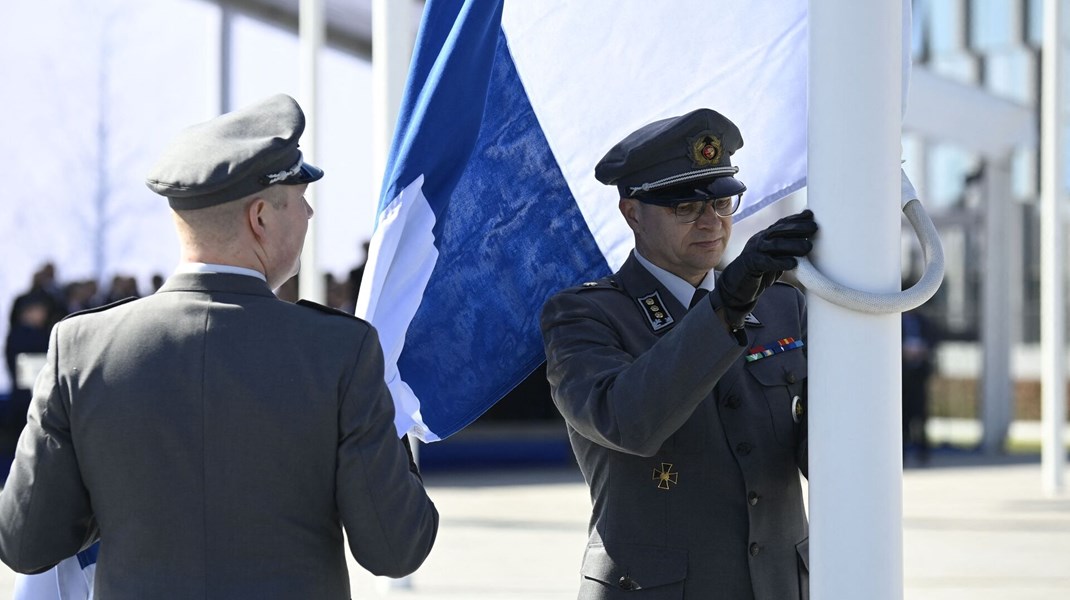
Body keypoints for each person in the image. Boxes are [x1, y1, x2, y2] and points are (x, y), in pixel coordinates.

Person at [0, 93, 439, 598]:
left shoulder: (79, 349)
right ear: (260, 218)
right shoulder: (340, 353)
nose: (311, 212)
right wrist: (390, 414)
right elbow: (394, 548)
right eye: (298, 198)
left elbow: (25, 541)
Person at [540, 109, 817, 599]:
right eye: (685, 208)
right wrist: (726, 304)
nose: (711, 222)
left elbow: (826, 458)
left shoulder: (782, 306)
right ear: (632, 213)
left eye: (722, 202)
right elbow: (629, 421)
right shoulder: (583, 316)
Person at [902, 307, 938, 465]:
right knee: (903, 416)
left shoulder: (923, 321)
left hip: (919, 375)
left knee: (921, 415)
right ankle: (902, 452)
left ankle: (923, 452)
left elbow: (933, 340)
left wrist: (923, 350)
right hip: (902, 376)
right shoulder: (896, 320)